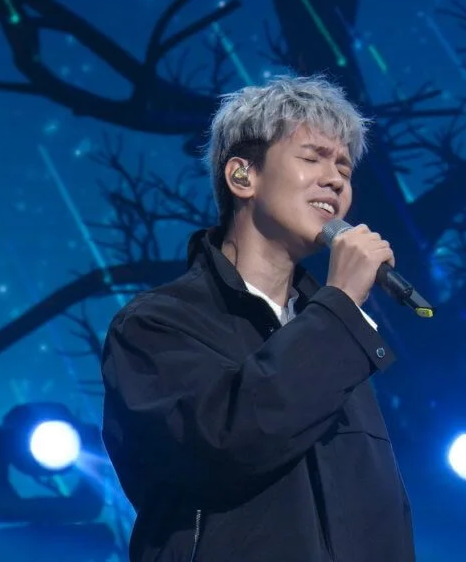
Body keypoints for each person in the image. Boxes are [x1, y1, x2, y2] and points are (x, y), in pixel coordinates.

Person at [99, 75, 415, 561]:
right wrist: (340, 304)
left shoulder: (335, 333)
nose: (335, 179)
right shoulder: (155, 324)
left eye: (344, 167)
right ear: (242, 177)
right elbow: (223, 446)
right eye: (312, 158)